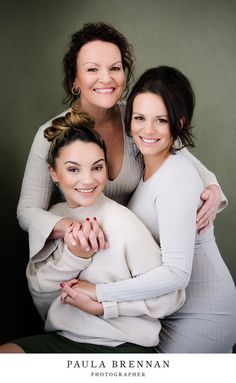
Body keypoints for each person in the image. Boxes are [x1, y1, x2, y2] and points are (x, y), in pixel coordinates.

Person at [17, 22, 226, 261]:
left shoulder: (139, 119)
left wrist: (213, 189)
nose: (106, 78)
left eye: (115, 68)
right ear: (74, 80)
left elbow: (189, 159)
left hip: (139, 251)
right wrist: (70, 227)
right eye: (92, 69)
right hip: (85, 256)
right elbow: (26, 212)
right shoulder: (52, 134)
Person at [68, 66, 236, 353]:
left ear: (178, 124)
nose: (147, 130)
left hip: (203, 316)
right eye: (140, 118)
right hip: (163, 312)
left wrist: (100, 294)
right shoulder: (148, 159)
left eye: (161, 120)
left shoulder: (176, 177)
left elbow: (176, 273)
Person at [0, 111, 185, 353]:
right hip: (64, 339)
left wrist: (106, 305)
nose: (87, 180)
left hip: (121, 346)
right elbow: (41, 294)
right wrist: (76, 256)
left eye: (96, 168)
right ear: (53, 172)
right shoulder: (54, 217)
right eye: (73, 170)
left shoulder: (123, 223)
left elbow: (171, 297)